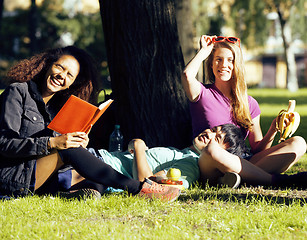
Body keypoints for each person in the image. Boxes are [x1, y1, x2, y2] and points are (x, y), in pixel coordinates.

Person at [0, 46, 180, 202]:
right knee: (68, 149)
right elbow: (5, 143)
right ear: (47, 65)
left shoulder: (56, 107)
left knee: (96, 179)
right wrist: (54, 143)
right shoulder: (18, 92)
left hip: (41, 175)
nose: (61, 76)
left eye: (69, 75)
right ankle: (139, 189)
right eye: (59, 67)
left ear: (71, 84)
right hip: (14, 177)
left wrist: (77, 142)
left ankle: (70, 195)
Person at [181, 35, 307, 188]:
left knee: (299, 143)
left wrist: (273, 129)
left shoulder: (249, 103)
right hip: (209, 161)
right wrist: (204, 50)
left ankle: (236, 179)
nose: (224, 64)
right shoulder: (202, 94)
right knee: (212, 149)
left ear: (237, 64)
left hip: (243, 160)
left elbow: (258, 149)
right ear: (211, 64)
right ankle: (277, 181)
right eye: (218, 59)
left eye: (230, 60)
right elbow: (187, 75)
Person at [87, 124, 248, 190]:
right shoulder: (183, 154)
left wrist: (138, 147)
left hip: (103, 166)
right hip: (101, 161)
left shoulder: (190, 166)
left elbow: (148, 184)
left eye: (217, 139)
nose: (209, 133)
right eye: (213, 129)